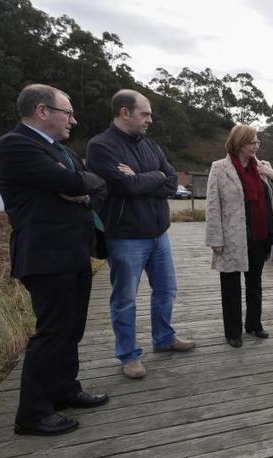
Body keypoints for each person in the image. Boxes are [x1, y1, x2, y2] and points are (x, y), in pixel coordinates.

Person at [0, 84, 109, 436]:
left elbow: (93, 184)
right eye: (68, 112)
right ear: (43, 111)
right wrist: (77, 184)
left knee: (71, 329)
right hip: (45, 254)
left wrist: (80, 188)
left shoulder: (58, 149)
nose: (73, 120)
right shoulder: (15, 146)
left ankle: (64, 390)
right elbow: (70, 179)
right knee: (53, 331)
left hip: (74, 252)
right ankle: (32, 413)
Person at [87, 89, 195, 380]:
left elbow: (171, 182)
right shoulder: (100, 146)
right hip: (124, 237)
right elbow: (124, 187)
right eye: (145, 114)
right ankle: (129, 354)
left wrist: (143, 178)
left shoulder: (151, 145)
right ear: (125, 112)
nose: (150, 120)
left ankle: (163, 339)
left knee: (167, 290)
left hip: (159, 234)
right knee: (125, 299)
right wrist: (151, 178)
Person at [205, 125, 273, 348]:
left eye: (258, 142)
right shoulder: (220, 168)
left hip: (260, 235)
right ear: (239, 143)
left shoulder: (263, 167)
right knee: (230, 285)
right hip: (231, 237)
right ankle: (233, 332)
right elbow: (213, 207)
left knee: (254, 282)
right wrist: (215, 239)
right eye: (253, 142)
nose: (257, 146)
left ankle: (254, 324)